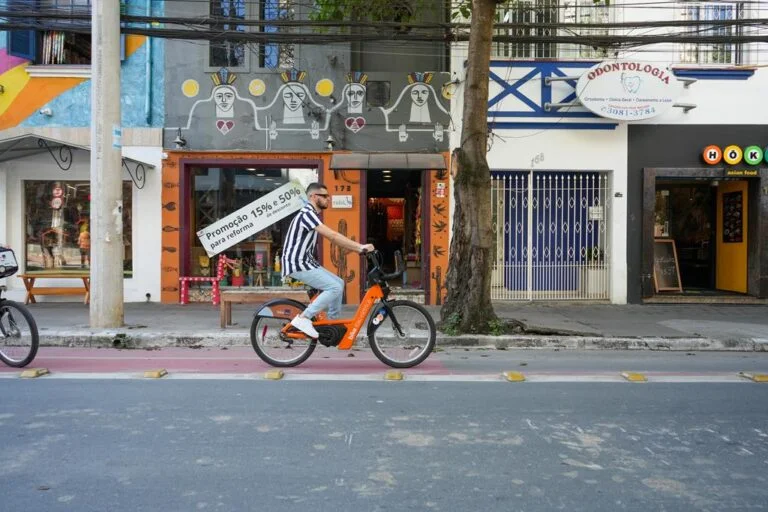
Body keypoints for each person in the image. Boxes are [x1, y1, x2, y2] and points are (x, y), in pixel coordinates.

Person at [282, 183, 374, 338]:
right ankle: (303, 318)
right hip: (297, 263)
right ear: (313, 196)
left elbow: (335, 239)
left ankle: (332, 325)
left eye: (328, 196)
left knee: (339, 283)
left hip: (306, 262)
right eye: (324, 196)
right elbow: (333, 236)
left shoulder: (311, 214)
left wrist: (357, 248)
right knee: (334, 287)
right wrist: (360, 247)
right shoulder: (307, 214)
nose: (328, 198)